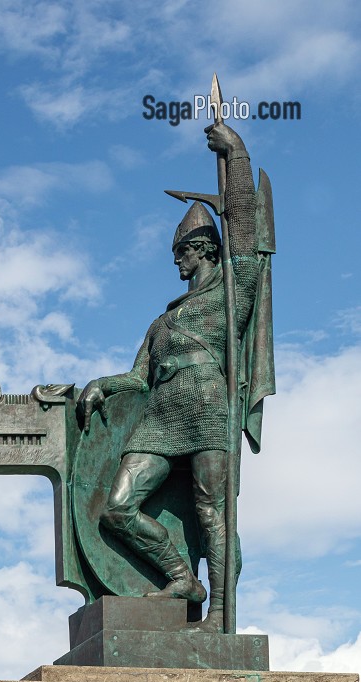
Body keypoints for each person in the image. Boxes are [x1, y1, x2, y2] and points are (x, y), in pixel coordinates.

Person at [77, 120, 272, 631]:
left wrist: (237, 155)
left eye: (182, 251)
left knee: (213, 515)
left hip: (210, 406)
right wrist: (104, 384)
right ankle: (183, 577)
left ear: (206, 248)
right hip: (163, 413)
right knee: (118, 507)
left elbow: (246, 227)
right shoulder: (162, 320)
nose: (177, 261)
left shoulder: (234, 288)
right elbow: (139, 377)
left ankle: (221, 613)